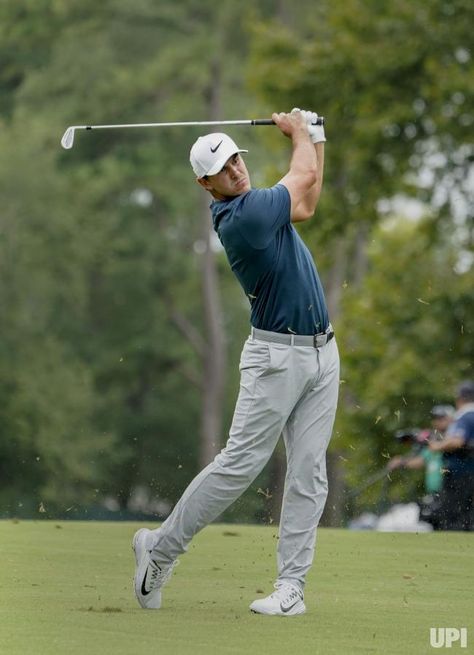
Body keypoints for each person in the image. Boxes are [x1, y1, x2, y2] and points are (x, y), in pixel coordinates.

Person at [132, 109, 339, 616]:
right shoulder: (243, 216)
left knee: (310, 473)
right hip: (275, 358)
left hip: (321, 353)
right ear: (206, 184)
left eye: (237, 160)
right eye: (224, 169)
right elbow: (305, 175)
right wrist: (299, 132)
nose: (236, 170)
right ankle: (159, 549)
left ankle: (291, 587)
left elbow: (308, 202)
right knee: (239, 465)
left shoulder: (259, 204)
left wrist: (316, 136)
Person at [388, 406, 454, 529]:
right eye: (435, 418)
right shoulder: (434, 442)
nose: (437, 421)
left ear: (451, 419)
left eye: (441, 418)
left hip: (451, 491)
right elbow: (421, 461)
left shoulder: (453, 438)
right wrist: (402, 462)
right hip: (435, 494)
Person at [429, 381, 474, 530]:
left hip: (461, 473)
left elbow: (457, 441)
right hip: (469, 472)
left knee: (454, 515)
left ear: (460, 398)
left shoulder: (465, 416)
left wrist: (436, 446)